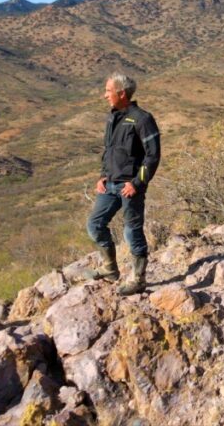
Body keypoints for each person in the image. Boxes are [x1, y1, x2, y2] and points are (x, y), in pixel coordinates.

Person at [86, 73, 160, 295]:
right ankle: (109, 269)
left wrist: (137, 183)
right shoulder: (113, 118)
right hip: (110, 185)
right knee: (95, 225)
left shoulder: (143, 119)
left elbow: (152, 156)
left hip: (130, 188)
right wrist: (103, 175)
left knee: (131, 232)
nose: (105, 95)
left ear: (121, 93)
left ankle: (138, 279)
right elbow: (109, 151)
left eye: (108, 91)